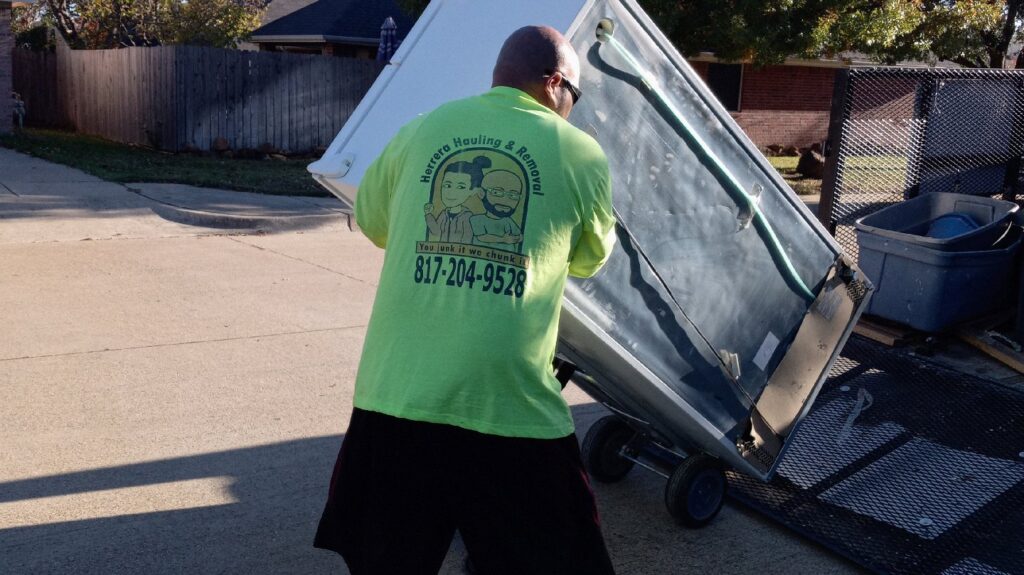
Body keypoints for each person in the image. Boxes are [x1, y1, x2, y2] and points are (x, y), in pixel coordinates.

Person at [314, 24, 617, 575]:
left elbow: (377, 223)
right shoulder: (581, 154)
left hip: (396, 398)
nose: (572, 105)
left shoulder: (423, 129)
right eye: (574, 94)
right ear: (554, 84)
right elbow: (589, 259)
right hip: (510, 408)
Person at [425, 156, 491, 244]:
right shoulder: (443, 214)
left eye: (461, 187)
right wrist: (428, 214)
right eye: (447, 185)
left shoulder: (468, 217)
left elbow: (469, 238)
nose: (451, 192)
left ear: (473, 191)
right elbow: (436, 231)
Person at [471, 169, 524, 250]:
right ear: (481, 193)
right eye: (496, 192)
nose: (505, 200)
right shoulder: (476, 219)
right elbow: (481, 237)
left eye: (513, 195)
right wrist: (503, 239)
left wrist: (518, 238)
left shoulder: (509, 221)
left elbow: (519, 235)